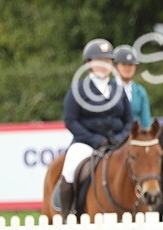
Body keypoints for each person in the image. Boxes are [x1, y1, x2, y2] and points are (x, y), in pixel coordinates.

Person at [55, 39, 132, 218]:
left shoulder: (118, 89)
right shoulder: (78, 89)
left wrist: (121, 137)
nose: (104, 66)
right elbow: (70, 121)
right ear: (89, 64)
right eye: (99, 61)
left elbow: (128, 119)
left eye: (107, 61)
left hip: (117, 143)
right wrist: (95, 140)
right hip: (85, 143)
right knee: (70, 169)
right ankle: (68, 215)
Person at [113, 45, 153, 129]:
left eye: (131, 64)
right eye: (124, 64)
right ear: (116, 66)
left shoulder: (140, 92)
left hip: (133, 138)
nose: (128, 68)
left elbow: (146, 122)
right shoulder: (107, 89)